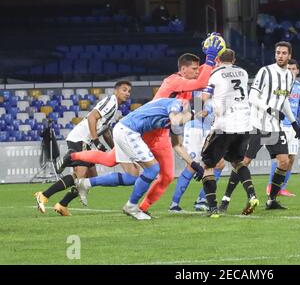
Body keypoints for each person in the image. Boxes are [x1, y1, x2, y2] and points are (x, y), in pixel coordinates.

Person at [58, 35, 224, 214]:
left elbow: (200, 79)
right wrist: (210, 57)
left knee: (166, 176)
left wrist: (214, 63)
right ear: (183, 69)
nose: (197, 72)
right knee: (117, 163)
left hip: (162, 131)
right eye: (194, 69)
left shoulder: (187, 87)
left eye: (198, 69)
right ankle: (74, 158)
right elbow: (200, 82)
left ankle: (142, 208)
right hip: (146, 130)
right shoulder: (173, 80)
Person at [218, 41, 300, 212]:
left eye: (283, 53)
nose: (280, 55)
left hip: (274, 127)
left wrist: (293, 122)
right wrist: (271, 110)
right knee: (244, 162)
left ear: (289, 56)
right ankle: (225, 200)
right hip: (257, 125)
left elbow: (284, 100)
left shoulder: (289, 76)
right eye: (277, 52)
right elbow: (252, 97)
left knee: (284, 162)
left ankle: (271, 200)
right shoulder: (266, 72)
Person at [33, 81, 133, 216]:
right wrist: (96, 141)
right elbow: (92, 117)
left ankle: (61, 204)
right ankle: (46, 195)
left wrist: (115, 149)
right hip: (81, 138)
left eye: (129, 91)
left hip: (85, 140)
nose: (127, 93)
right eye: (124, 90)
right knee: (81, 178)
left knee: (89, 179)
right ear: (116, 91)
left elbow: (106, 131)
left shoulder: (114, 107)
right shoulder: (111, 101)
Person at [200, 49, 258, 217]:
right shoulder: (243, 72)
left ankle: (213, 209)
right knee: (238, 161)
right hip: (244, 124)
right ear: (234, 59)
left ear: (218, 59)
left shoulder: (215, 73)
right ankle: (252, 195)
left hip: (223, 125)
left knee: (208, 165)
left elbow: (204, 97)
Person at [168, 101, 224, 212]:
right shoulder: (207, 87)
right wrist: (205, 110)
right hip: (197, 129)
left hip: (210, 129)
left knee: (219, 165)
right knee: (192, 166)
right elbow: (201, 99)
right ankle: (174, 204)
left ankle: (202, 200)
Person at [267, 59, 300, 197]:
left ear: (297, 71)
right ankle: (271, 186)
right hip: (279, 125)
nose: (291, 71)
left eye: (293, 69)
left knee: (291, 158)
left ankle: (281, 188)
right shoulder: (278, 85)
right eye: (288, 68)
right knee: (281, 158)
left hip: (293, 126)